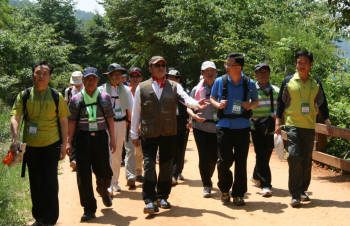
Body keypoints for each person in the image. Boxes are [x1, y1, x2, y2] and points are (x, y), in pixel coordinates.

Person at [130, 56, 207, 214]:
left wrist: (196, 104)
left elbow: (186, 98)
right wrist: (133, 134)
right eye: (157, 65)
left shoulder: (174, 86)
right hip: (149, 132)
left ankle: (162, 196)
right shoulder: (142, 88)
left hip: (168, 132)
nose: (161, 67)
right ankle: (149, 200)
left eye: (163, 65)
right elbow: (136, 111)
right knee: (149, 165)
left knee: (166, 166)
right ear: (150, 68)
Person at [10, 61, 70, 226]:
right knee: (35, 183)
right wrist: (15, 139)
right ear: (33, 75)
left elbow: (64, 121)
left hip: (51, 145)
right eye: (38, 73)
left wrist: (65, 144)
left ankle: (51, 219)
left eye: (45, 73)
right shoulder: (25, 95)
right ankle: (39, 218)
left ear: (49, 77)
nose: (41, 76)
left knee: (50, 182)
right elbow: (15, 117)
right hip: (31, 147)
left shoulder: (56, 96)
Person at [275, 50, 331, 207]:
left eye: (304, 63)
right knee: (294, 156)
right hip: (293, 125)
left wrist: (326, 120)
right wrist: (278, 123)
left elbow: (322, 103)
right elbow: (280, 103)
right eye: (299, 62)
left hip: (309, 126)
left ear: (311, 64)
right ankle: (294, 194)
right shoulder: (288, 81)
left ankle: (302, 190)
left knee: (306, 160)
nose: (301, 66)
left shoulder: (316, 84)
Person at [67, 67, 116, 222]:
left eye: (93, 78)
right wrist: (68, 142)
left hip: (100, 138)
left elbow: (110, 119)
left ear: (97, 80)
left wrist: (113, 139)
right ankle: (89, 208)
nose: (90, 81)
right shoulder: (76, 100)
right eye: (87, 78)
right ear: (83, 80)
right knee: (83, 175)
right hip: (82, 138)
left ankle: (103, 191)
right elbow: (72, 121)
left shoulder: (105, 97)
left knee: (105, 171)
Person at [210, 53, 259, 206]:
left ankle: (238, 193)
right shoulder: (220, 81)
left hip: (243, 127)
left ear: (238, 67)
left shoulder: (248, 83)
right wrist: (218, 105)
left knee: (241, 162)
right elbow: (212, 98)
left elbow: (256, 100)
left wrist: (249, 105)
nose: (226, 66)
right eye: (226, 64)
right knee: (224, 161)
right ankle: (224, 189)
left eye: (229, 64)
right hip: (224, 126)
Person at [99, 63, 133, 192]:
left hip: (121, 123)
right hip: (106, 124)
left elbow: (131, 107)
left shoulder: (126, 90)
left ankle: (115, 181)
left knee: (118, 153)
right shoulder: (102, 89)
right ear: (109, 76)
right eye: (115, 74)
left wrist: (132, 124)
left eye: (120, 74)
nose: (118, 77)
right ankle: (107, 182)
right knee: (108, 153)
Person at [187, 61, 218, 198]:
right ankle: (206, 184)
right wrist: (193, 116)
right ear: (202, 73)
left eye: (212, 70)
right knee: (204, 157)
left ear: (216, 73)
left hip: (218, 128)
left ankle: (208, 177)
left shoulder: (222, 88)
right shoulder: (196, 89)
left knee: (214, 157)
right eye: (206, 71)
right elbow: (188, 106)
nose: (209, 73)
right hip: (200, 127)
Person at [249, 63, 279, 197]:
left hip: (271, 127)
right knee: (261, 153)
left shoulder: (276, 90)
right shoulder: (250, 90)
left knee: (266, 153)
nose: (263, 75)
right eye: (260, 72)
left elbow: (281, 110)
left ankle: (256, 175)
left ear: (269, 74)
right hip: (255, 127)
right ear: (255, 75)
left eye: (265, 72)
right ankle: (266, 184)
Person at [166, 68, 190, 185]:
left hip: (182, 124)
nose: (171, 80)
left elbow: (188, 107)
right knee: (171, 149)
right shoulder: (163, 92)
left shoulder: (182, 92)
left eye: (174, 78)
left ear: (178, 79)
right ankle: (172, 174)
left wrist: (190, 121)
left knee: (180, 149)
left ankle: (177, 171)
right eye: (169, 77)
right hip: (168, 124)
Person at [124, 66, 144, 186]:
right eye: (132, 76)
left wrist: (141, 125)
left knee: (140, 152)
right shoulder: (125, 91)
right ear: (129, 78)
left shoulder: (144, 90)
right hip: (128, 125)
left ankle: (138, 173)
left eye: (137, 76)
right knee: (130, 151)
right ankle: (130, 176)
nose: (135, 78)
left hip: (142, 125)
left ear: (141, 77)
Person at [64, 71, 84, 171]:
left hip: (84, 118)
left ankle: (82, 159)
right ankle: (73, 159)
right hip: (72, 118)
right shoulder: (68, 91)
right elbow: (66, 104)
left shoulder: (87, 89)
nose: (77, 84)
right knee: (71, 138)